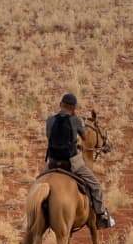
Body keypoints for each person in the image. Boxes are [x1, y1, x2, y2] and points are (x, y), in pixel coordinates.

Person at [45, 93, 116, 228]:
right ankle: (101, 216)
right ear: (74, 109)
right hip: (72, 164)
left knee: (38, 182)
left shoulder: (50, 120)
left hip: (52, 163)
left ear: (60, 104)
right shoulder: (76, 120)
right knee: (95, 185)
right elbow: (84, 138)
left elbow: (49, 136)